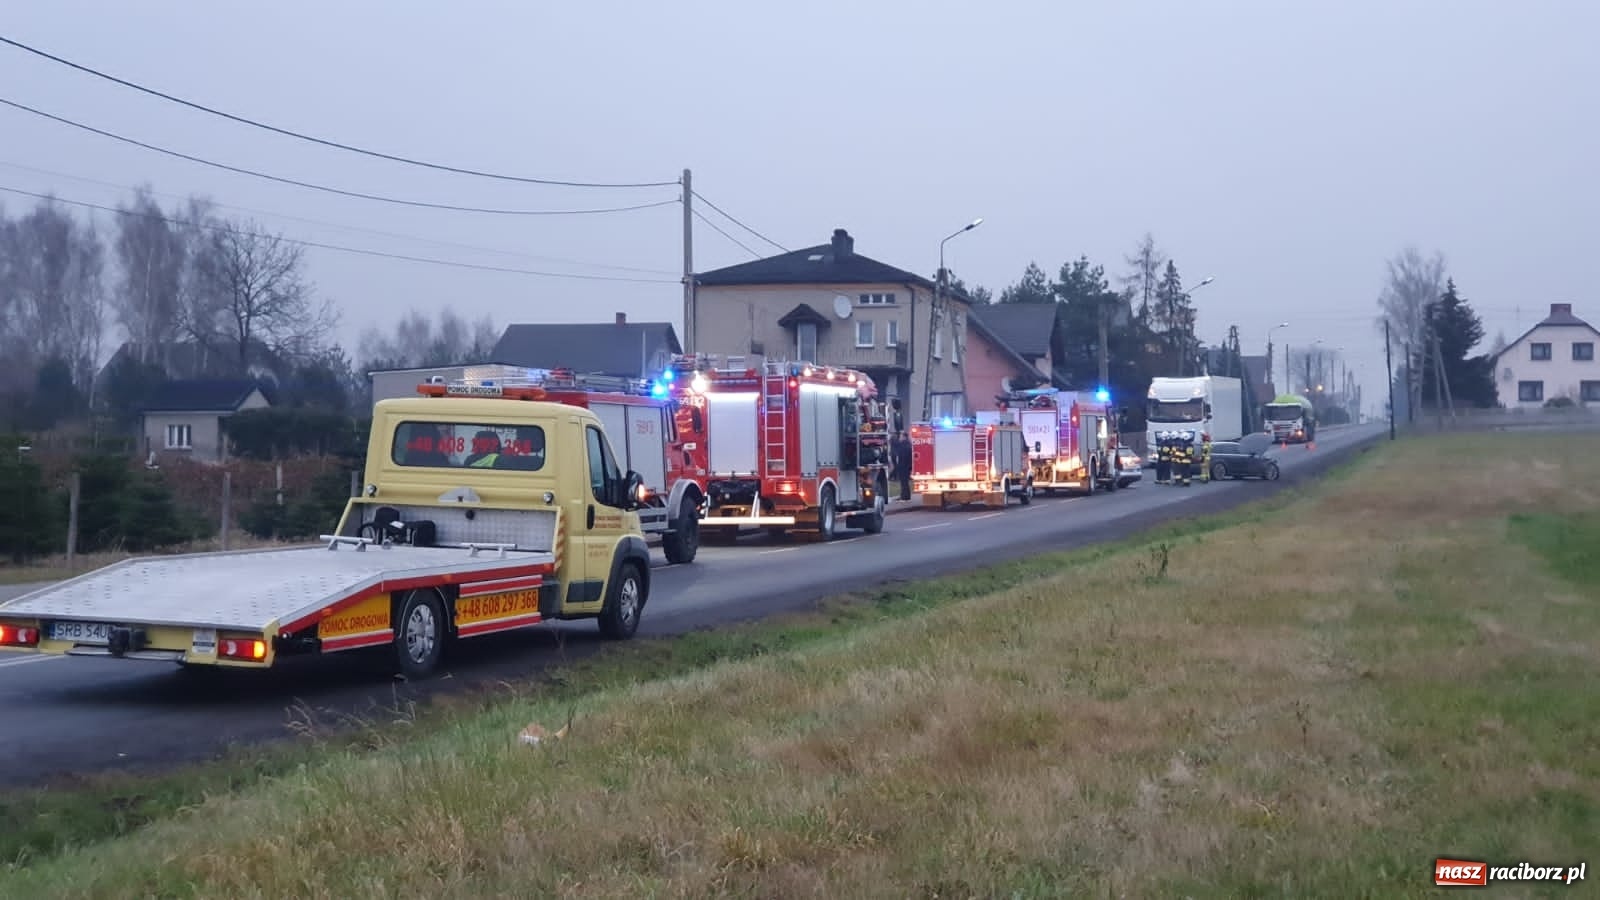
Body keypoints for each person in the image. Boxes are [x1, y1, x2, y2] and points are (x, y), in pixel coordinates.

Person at [892, 432, 912, 500]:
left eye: (901, 436)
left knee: (904, 482)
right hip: (906, 466)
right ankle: (905, 495)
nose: (900, 438)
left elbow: (903, 456)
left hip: (903, 466)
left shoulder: (904, 445)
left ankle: (904, 496)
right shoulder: (907, 444)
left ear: (904, 437)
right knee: (904, 482)